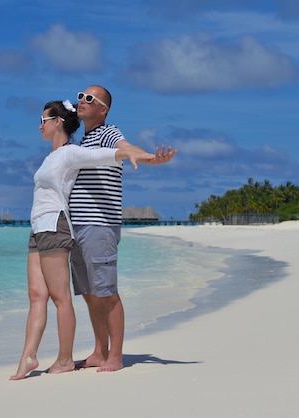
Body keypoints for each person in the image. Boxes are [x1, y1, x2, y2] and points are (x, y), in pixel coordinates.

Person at [10, 100, 155, 380]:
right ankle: (28, 357)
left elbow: (107, 154)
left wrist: (143, 156)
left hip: (56, 225)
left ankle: (64, 359)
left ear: (57, 122)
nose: (40, 125)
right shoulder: (48, 158)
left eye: (43, 119)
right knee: (36, 295)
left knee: (60, 297)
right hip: (38, 227)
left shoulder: (70, 153)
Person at [70, 85, 176, 372]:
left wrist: (150, 158)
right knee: (90, 294)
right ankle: (98, 352)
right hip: (77, 226)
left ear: (103, 109)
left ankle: (115, 355)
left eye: (89, 98)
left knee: (106, 293)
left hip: (99, 225)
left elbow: (126, 147)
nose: (82, 100)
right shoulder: (84, 141)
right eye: (80, 96)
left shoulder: (107, 133)